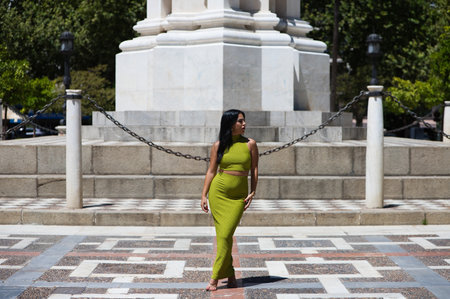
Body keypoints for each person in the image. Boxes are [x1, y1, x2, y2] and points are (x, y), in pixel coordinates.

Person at [201, 109, 259, 291]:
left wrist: (253, 191)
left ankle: (226, 274)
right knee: (224, 236)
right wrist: (204, 194)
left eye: (244, 121)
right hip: (218, 193)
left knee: (226, 235)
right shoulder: (218, 145)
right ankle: (216, 278)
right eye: (240, 121)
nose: (244, 124)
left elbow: (255, 169)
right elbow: (211, 171)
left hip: (237, 197)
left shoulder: (250, 144)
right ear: (230, 123)